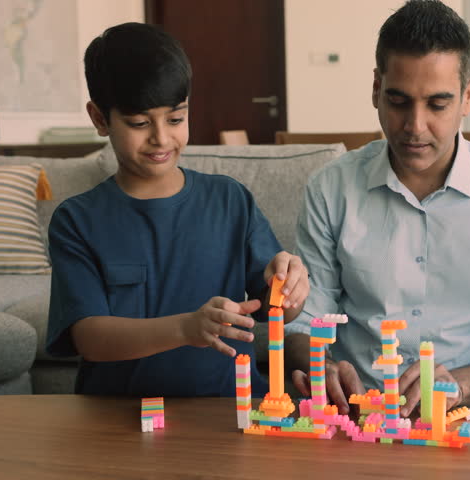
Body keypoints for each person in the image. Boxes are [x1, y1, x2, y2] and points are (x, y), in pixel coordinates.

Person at [284, 0, 470, 416]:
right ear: (376, 89)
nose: (414, 126)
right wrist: (321, 366)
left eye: (437, 104)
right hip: (355, 419)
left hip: (463, 423)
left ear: (467, 96)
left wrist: (459, 385)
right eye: (398, 101)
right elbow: (305, 321)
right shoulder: (330, 190)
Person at [45, 23, 309, 397]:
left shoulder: (230, 201)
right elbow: (89, 336)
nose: (161, 138)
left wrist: (290, 287)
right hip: (115, 419)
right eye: (139, 123)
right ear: (100, 118)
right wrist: (186, 328)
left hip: (227, 411)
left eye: (175, 118)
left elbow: (274, 309)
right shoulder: (77, 220)